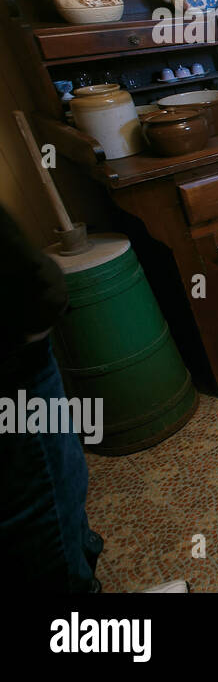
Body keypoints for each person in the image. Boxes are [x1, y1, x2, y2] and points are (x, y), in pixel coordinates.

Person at [0, 204, 103, 591]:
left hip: (19, 339)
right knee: (40, 494)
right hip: (11, 348)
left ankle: (82, 554)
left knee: (62, 469)